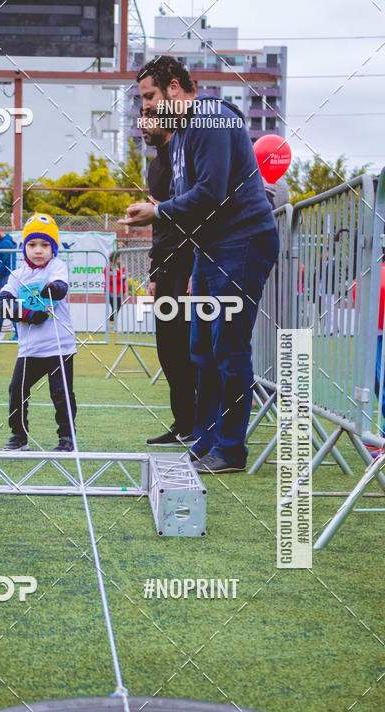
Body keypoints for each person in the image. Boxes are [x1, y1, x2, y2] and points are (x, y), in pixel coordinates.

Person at [123, 56, 279, 473]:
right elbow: (195, 209)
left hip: (243, 242)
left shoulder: (210, 117)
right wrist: (194, 263)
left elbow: (210, 193)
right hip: (213, 249)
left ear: (174, 87)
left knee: (228, 348)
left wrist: (157, 213)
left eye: (150, 96)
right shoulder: (184, 132)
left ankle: (230, 449)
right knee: (201, 349)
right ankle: (208, 439)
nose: (148, 107)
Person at [0, 213, 77, 451]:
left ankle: (66, 438)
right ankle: (19, 436)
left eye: (45, 245)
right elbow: (3, 303)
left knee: (61, 395)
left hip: (59, 347)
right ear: (24, 248)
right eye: (32, 245)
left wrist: (52, 289)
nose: (38, 250)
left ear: (53, 249)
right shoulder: (17, 275)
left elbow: (61, 287)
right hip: (29, 349)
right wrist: (28, 315)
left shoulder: (57, 266)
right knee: (17, 391)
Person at [141, 110, 197, 447]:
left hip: (189, 264)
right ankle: (183, 423)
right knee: (168, 351)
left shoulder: (184, 156)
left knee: (191, 349)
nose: (144, 125)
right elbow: (159, 222)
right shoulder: (156, 164)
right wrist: (153, 270)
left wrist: (197, 266)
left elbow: (195, 214)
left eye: (150, 116)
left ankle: (203, 425)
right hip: (166, 267)